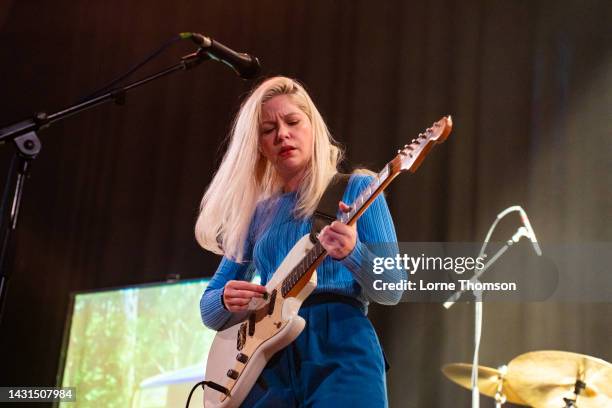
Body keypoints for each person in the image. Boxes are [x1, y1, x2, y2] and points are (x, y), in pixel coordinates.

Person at [196, 76, 405, 407]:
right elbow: (209, 310)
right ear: (260, 145)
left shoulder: (359, 189)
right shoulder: (256, 215)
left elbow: (393, 287)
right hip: (267, 360)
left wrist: (352, 253)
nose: (282, 134)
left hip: (340, 343)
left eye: (292, 121)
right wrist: (224, 299)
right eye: (268, 130)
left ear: (313, 128)